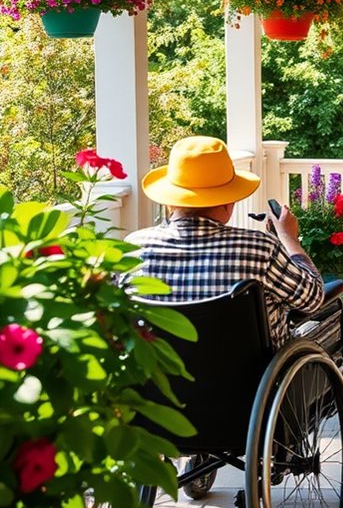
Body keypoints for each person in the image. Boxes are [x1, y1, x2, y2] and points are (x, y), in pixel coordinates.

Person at [126, 136, 325, 349]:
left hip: (161, 379)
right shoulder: (260, 250)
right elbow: (312, 299)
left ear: (170, 200)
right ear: (228, 201)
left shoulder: (132, 250)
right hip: (250, 380)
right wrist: (288, 238)